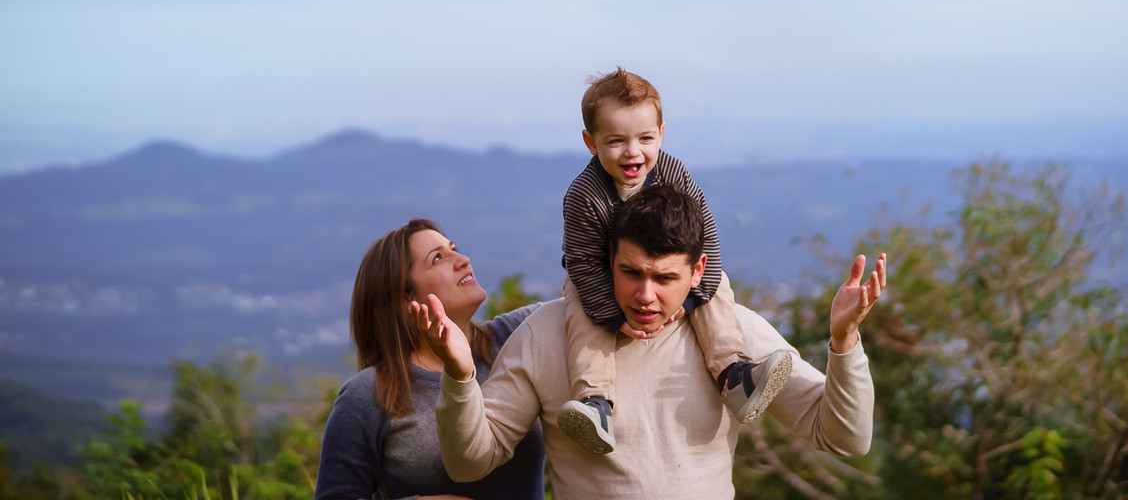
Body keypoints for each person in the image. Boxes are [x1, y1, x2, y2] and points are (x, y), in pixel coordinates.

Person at [412, 184, 886, 500]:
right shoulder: (545, 334)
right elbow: (469, 464)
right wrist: (460, 377)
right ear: (608, 258)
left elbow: (844, 438)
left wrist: (844, 342)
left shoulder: (733, 333)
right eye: (631, 272)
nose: (644, 294)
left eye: (664, 278)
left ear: (699, 272)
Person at [558, 67, 790, 453]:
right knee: (580, 313)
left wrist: (694, 294)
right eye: (616, 141)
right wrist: (613, 316)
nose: (633, 151)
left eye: (645, 138)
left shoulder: (672, 171)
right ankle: (595, 402)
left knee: (717, 288)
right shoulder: (585, 195)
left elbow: (704, 232)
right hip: (603, 275)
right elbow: (582, 263)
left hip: (670, 271)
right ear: (591, 142)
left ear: (661, 133)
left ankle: (734, 374)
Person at [315, 219, 545, 500]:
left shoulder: (517, 336)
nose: (463, 260)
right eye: (437, 258)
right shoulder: (368, 394)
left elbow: (584, 301)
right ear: (404, 299)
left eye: (454, 249)